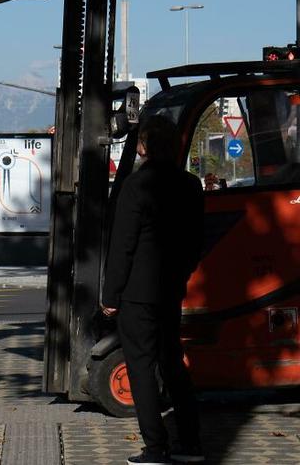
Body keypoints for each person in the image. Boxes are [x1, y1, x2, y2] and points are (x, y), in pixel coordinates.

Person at [102, 115, 205, 465]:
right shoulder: (190, 186)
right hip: (170, 288)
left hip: (136, 293)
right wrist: (182, 273)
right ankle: (190, 443)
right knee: (173, 362)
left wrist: (110, 296)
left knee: (142, 367)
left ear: (143, 147)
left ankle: (155, 448)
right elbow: (196, 241)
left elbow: (123, 247)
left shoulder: (135, 186)